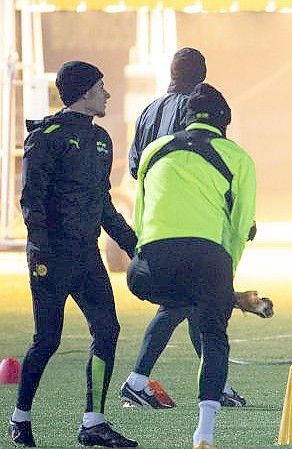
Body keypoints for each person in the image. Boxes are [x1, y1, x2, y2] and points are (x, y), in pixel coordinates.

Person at [8, 61, 138, 448]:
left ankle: (93, 423)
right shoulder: (46, 136)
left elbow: (103, 204)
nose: (107, 94)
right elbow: (31, 200)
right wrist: (43, 252)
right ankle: (20, 418)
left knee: (108, 330)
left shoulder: (101, 141)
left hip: (87, 255)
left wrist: (133, 246)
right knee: (47, 340)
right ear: (84, 93)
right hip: (52, 257)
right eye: (101, 86)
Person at [126, 83, 256, 449]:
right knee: (213, 332)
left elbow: (141, 213)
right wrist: (225, 287)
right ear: (224, 122)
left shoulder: (154, 150)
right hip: (207, 258)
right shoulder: (237, 156)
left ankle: (136, 381)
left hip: (146, 268)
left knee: (180, 300)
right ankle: (204, 433)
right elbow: (240, 227)